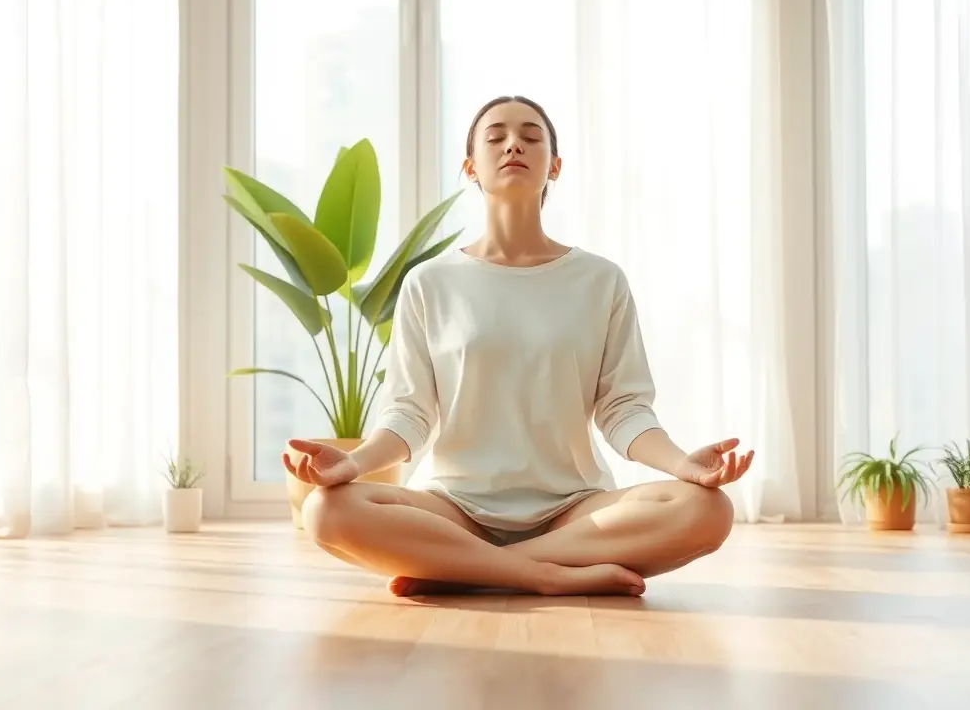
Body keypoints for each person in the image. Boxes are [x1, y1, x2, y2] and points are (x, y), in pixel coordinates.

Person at [283, 95, 754, 597]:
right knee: (326, 510)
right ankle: (543, 575)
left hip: (575, 509)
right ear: (471, 168)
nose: (513, 145)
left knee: (708, 510)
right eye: (496, 137)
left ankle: (463, 568)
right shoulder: (430, 282)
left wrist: (684, 465)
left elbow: (622, 410)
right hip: (454, 507)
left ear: (554, 165)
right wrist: (353, 464)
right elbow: (409, 413)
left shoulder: (600, 280)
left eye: (531, 137)